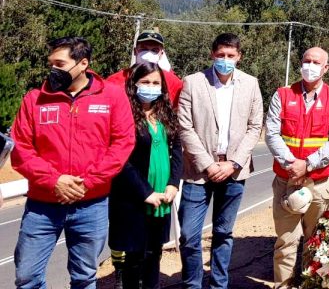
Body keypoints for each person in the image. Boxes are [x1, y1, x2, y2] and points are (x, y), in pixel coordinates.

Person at [10, 36, 135, 289]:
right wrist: (54, 180)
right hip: (42, 205)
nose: (53, 70)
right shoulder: (35, 99)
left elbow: (122, 144)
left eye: (60, 63)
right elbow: (20, 149)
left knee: (84, 277)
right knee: (26, 277)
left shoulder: (111, 96)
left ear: (83, 63)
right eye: (51, 64)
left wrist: (87, 182)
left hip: (92, 204)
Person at [176, 32, 263, 289]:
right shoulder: (193, 82)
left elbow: (255, 125)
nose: (225, 60)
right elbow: (185, 126)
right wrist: (208, 164)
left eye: (230, 56)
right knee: (189, 236)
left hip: (234, 172)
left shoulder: (250, 83)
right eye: (220, 55)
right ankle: (192, 284)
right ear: (212, 55)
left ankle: (218, 285)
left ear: (239, 57)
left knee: (223, 234)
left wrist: (233, 163)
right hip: (198, 172)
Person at [266, 47, 329, 289]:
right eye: (306, 60)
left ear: (326, 69)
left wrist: (308, 165)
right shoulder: (282, 95)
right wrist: (292, 165)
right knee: (285, 242)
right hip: (287, 180)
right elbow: (271, 133)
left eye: (316, 62)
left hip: (320, 183)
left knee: (314, 242)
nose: (310, 66)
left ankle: (309, 285)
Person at [108, 63, 183, 289]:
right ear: (134, 84)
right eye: (145, 82)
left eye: (155, 83)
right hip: (134, 199)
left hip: (163, 198)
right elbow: (122, 160)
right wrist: (146, 192)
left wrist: (173, 185)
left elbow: (177, 151)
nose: (151, 87)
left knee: (154, 253)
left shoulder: (166, 114)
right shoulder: (123, 115)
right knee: (133, 257)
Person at [107, 29, 184, 107]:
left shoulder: (173, 82)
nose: (148, 54)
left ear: (161, 54)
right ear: (135, 51)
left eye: (155, 50)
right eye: (143, 49)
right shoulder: (115, 80)